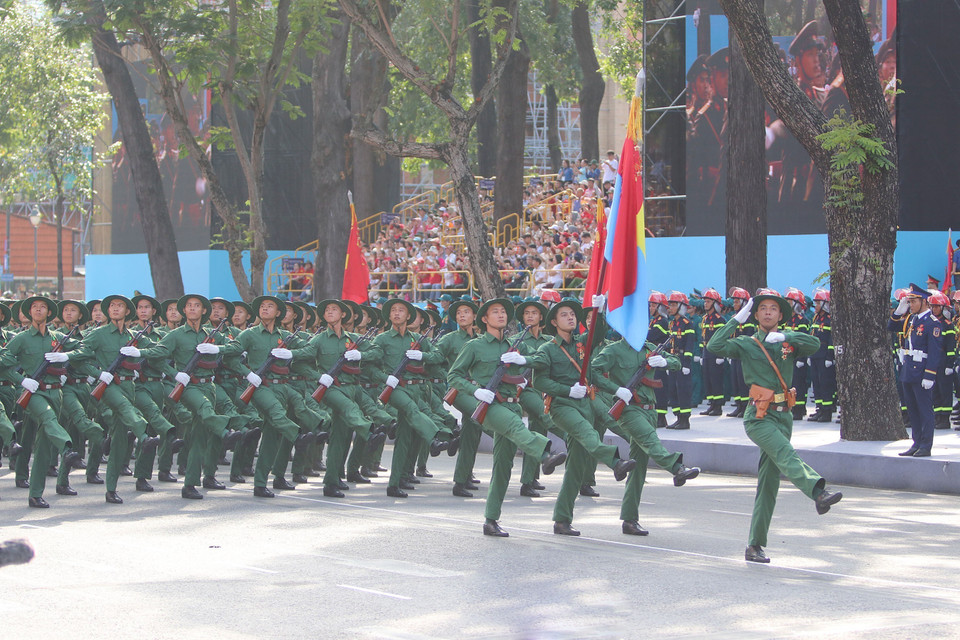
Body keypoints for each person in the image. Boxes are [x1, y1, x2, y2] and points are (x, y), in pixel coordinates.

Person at [707, 289, 842, 564]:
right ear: (755, 315)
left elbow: (815, 344)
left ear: (781, 315)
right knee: (785, 454)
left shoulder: (787, 343)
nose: (768, 312)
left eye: (773, 308)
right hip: (759, 416)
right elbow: (714, 346)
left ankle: (755, 545)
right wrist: (736, 319)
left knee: (769, 484)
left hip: (784, 415)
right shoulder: (746, 343)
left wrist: (788, 336)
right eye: (762, 308)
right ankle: (818, 492)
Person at [447, 298, 567, 537]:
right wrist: (475, 391)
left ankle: (490, 520)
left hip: (512, 404)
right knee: (515, 427)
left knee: (503, 466)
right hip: (489, 405)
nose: (501, 315)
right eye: (495, 312)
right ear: (484, 319)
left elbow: (542, 360)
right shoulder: (475, 346)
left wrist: (523, 362)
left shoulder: (514, 345)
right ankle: (544, 454)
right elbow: (454, 376)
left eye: (503, 312)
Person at [524, 297, 637, 536]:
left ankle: (562, 520)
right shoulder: (547, 349)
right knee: (588, 433)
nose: (571, 318)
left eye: (573, 315)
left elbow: (597, 334)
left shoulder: (580, 344)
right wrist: (566, 390)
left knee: (575, 468)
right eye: (564, 315)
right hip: (562, 406)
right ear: (553, 322)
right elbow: (539, 381)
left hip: (585, 404)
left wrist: (599, 310)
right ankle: (615, 462)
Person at [592, 329, 701, 535]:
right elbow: (593, 372)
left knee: (638, 466)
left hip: (650, 411)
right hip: (629, 409)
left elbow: (677, 363)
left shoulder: (651, 349)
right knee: (651, 441)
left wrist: (664, 362)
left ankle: (629, 519)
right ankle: (677, 468)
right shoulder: (613, 350)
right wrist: (615, 389)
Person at [0, 296, 84, 507]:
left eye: (43, 307)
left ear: (49, 313)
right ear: (29, 313)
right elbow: (3, 362)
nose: (38, 310)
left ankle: (35, 494)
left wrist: (67, 357)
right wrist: (22, 380)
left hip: (56, 392)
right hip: (32, 393)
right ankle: (67, 449)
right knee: (47, 419)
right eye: (34, 307)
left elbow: (86, 350)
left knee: (44, 444)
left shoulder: (57, 338)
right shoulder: (21, 339)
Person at [888, 284, 943, 456]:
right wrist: (898, 311)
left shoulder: (932, 323)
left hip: (921, 372)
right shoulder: (912, 320)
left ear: (924, 301)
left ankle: (926, 445)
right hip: (908, 371)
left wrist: (930, 375)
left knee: (924, 409)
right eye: (909, 302)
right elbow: (892, 326)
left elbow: (935, 352)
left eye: (913, 301)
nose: (910, 305)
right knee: (912, 409)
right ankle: (916, 442)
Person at [664, 291, 695, 430]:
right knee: (672, 390)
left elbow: (689, 344)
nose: (670, 307)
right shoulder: (672, 323)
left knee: (683, 390)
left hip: (682, 360)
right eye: (669, 304)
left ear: (681, 306)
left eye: (673, 304)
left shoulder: (687, 324)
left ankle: (684, 420)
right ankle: (678, 417)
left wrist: (686, 363)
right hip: (672, 360)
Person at [927, 291, 955, 430]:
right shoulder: (931, 323)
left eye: (937, 306)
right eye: (932, 306)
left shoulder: (947, 324)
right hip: (933, 360)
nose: (934, 309)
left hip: (944, 361)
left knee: (945, 390)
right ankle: (937, 417)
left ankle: (945, 418)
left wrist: (949, 364)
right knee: (935, 390)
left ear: (943, 308)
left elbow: (951, 346)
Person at [808, 288, 836, 422]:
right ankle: (819, 409)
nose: (816, 306)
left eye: (818, 303)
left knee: (826, 385)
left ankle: (827, 412)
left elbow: (831, 339)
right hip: (815, 355)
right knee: (816, 384)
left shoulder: (829, 319)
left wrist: (830, 357)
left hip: (824, 357)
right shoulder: (816, 319)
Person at [783, 288, 811, 421]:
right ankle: (793, 407)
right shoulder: (788, 320)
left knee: (799, 384)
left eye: (790, 301)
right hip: (788, 357)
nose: (788, 304)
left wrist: (801, 358)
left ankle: (799, 410)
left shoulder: (802, 320)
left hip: (798, 358)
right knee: (791, 383)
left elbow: (803, 342)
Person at [698, 288, 726, 416]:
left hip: (715, 354)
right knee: (708, 380)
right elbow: (703, 337)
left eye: (708, 301)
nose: (705, 304)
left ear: (715, 303)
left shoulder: (719, 319)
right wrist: (701, 354)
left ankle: (718, 407)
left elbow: (722, 338)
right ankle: (712, 404)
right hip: (706, 352)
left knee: (716, 381)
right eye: (705, 301)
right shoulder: (705, 319)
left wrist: (721, 355)